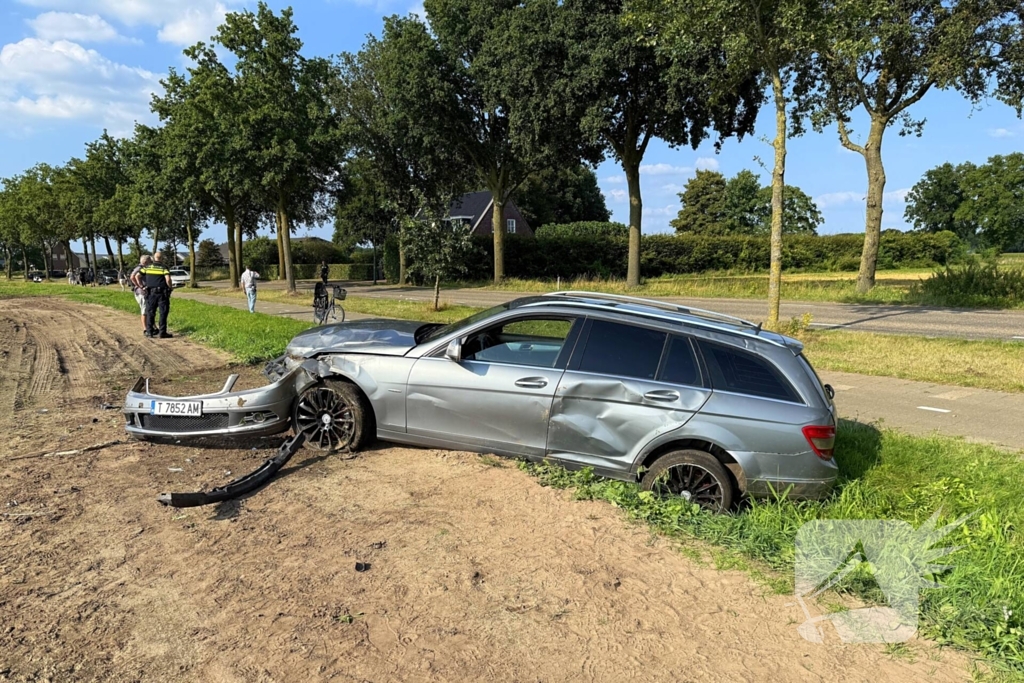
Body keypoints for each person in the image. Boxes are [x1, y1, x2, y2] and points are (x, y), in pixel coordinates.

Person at [139, 251, 173, 338]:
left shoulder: (147, 267)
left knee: (150, 312)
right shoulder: (164, 267)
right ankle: (162, 332)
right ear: (162, 259)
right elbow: (168, 279)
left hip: (150, 293)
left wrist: (142, 286)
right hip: (162, 293)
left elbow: (137, 276)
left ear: (154, 258)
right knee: (163, 312)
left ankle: (149, 332)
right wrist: (170, 287)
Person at [129, 255, 152, 334]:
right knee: (144, 310)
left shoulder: (142, 268)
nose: (151, 263)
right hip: (141, 293)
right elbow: (132, 277)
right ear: (145, 262)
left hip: (142, 292)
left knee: (148, 310)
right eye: (150, 261)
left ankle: (152, 326)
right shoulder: (139, 268)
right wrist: (140, 286)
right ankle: (145, 329)